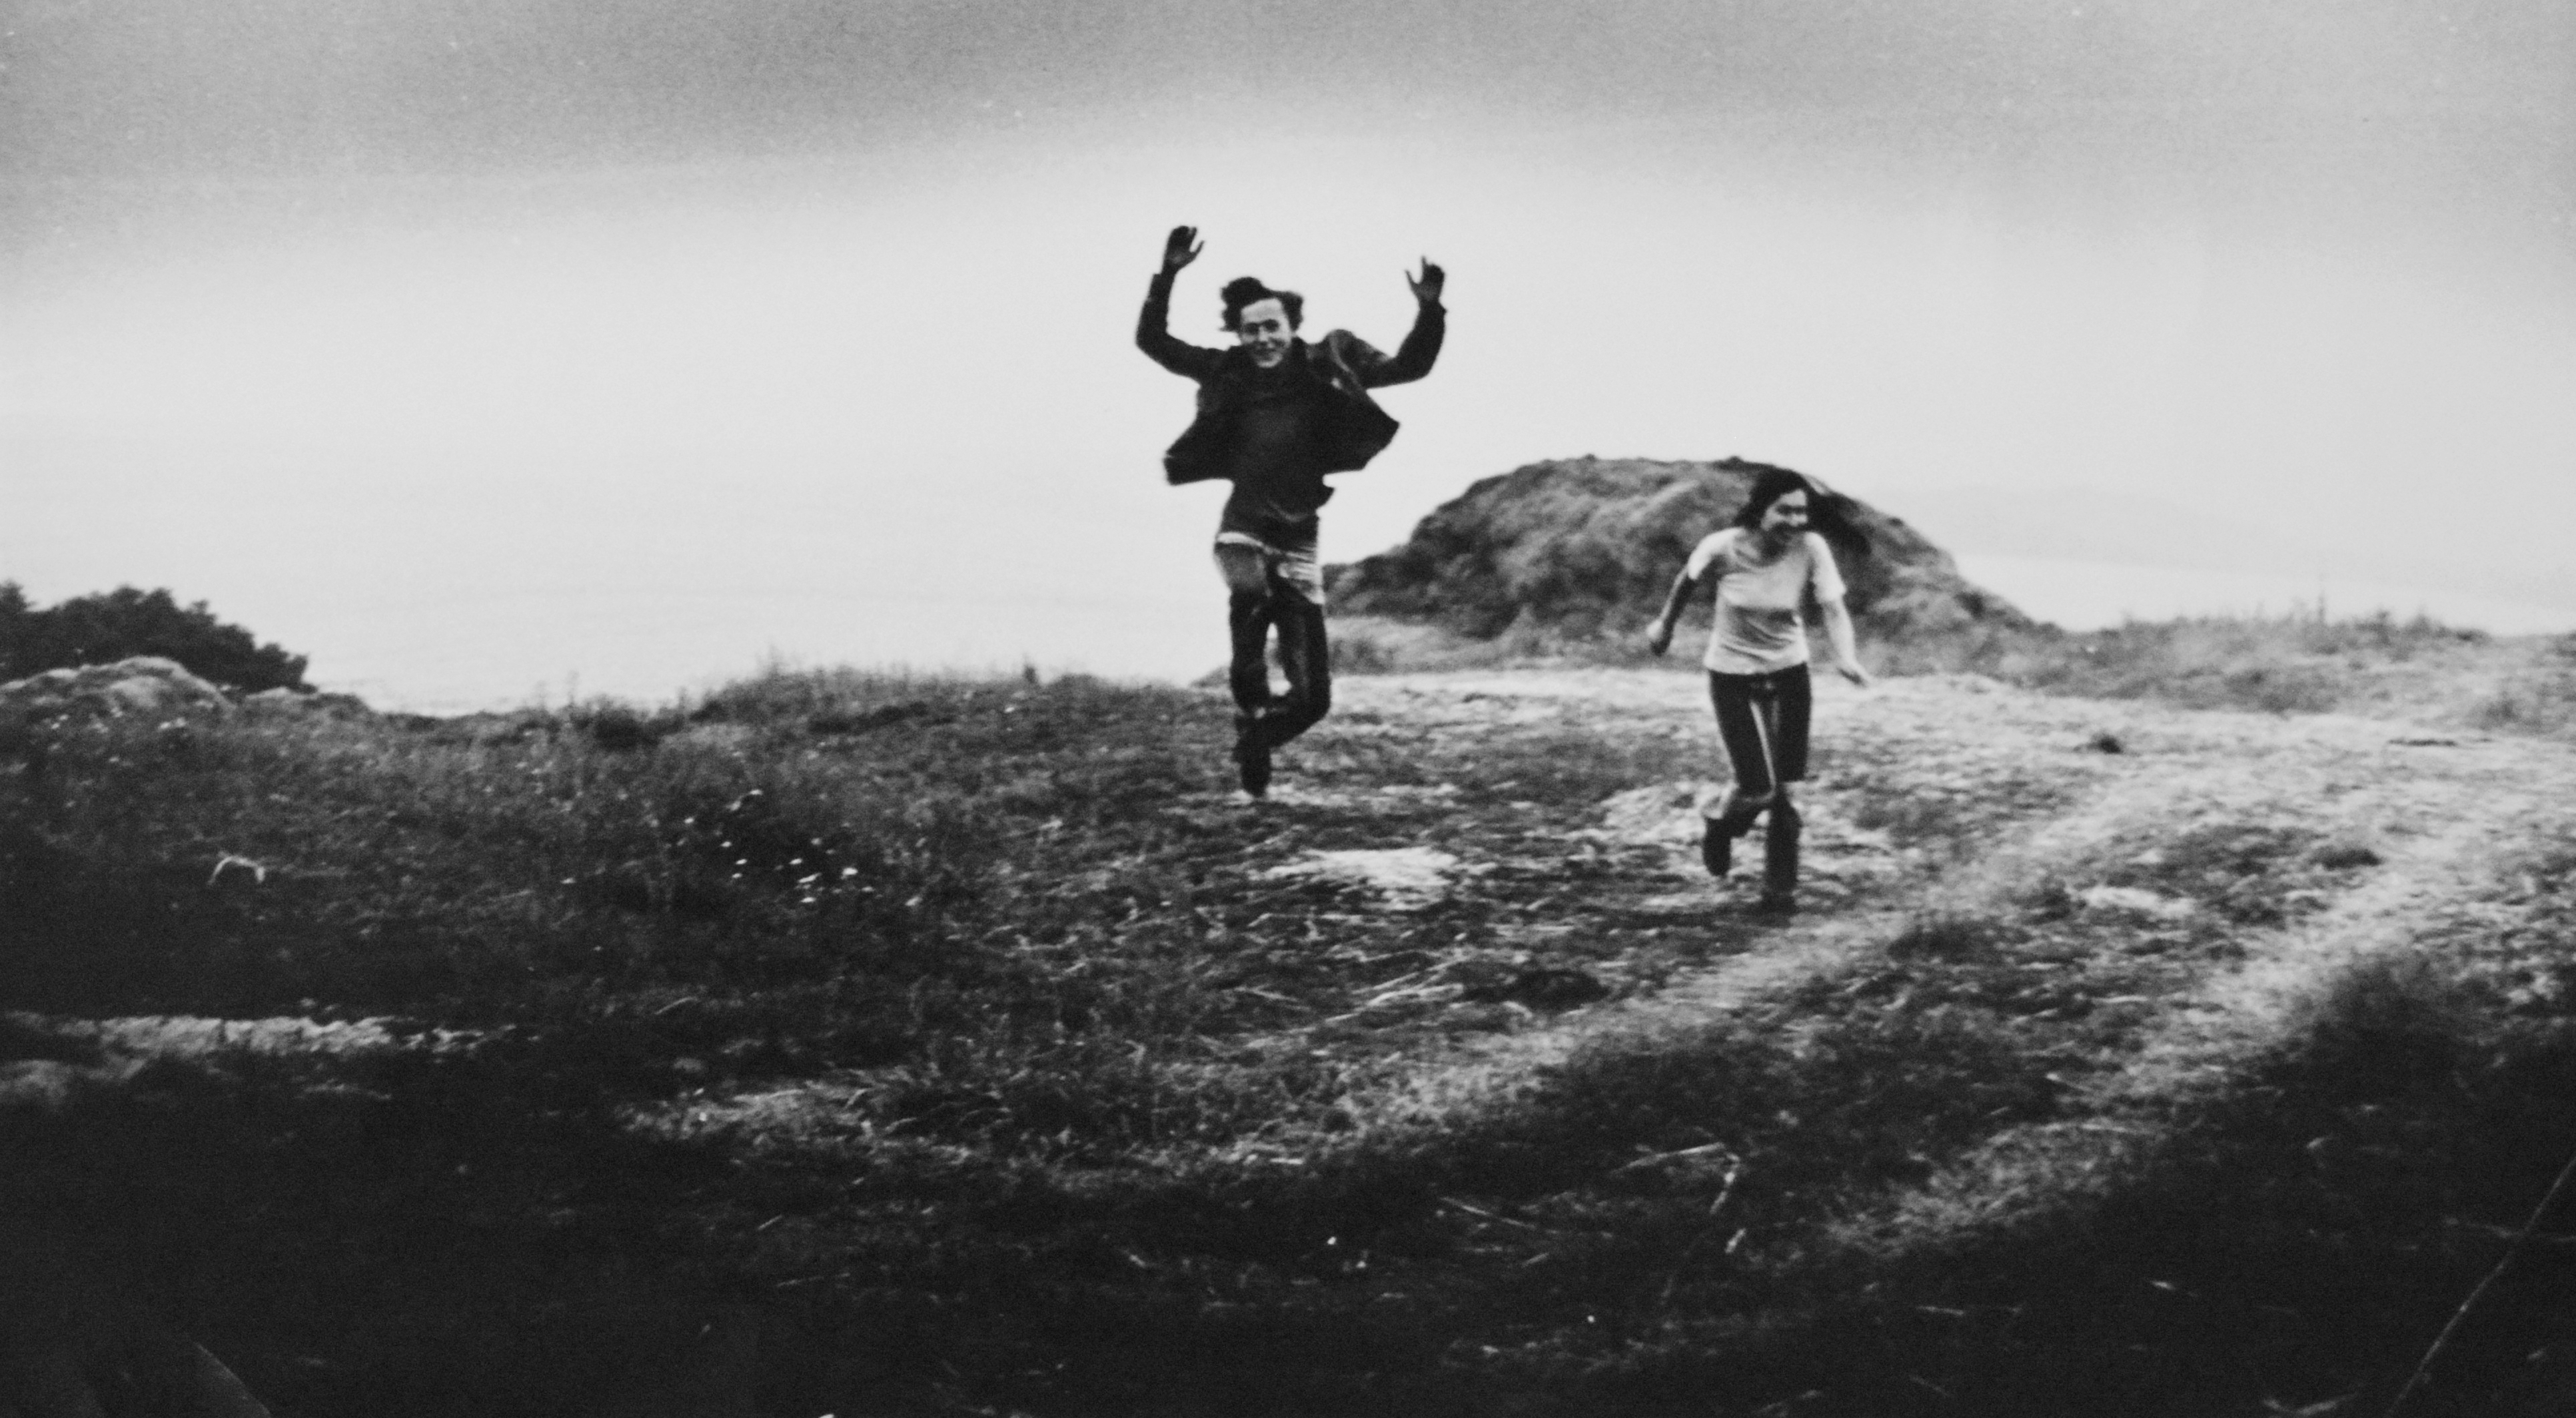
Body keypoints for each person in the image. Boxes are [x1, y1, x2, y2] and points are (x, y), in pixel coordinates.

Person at [1135, 224, 1447, 798]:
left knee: (1314, 701)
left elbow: (1410, 367)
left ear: (1292, 326)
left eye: (1271, 327)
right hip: (1243, 527)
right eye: (1251, 330)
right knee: (1249, 590)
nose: (1263, 339)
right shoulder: (1225, 370)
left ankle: (1256, 736)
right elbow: (1153, 342)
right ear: (1238, 334)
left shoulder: (1331, 361)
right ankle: (1250, 692)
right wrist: (1169, 275)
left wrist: (1430, 310)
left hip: (1302, 538)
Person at [1644, 466, 1872, 915]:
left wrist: (1846, 657)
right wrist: (1664, 626)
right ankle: (1719, 822)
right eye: (1784, 511)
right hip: (1731, 675)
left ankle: (1779, 894)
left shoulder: (1811, 548)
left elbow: (1833, 609)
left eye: (1801, 512)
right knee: (1758, 789)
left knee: (1787, 795)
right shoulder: (1722, 547)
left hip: (1790, 673)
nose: (1795, 521)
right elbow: (1686, 582)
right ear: (1760, 511)